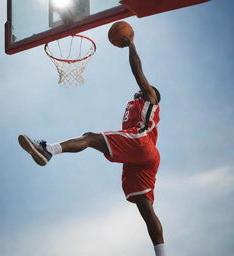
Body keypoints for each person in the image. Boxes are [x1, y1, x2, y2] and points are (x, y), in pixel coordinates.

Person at [18, 35, 166, 256]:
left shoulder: (149, 97)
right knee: (145, 208)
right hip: (143, 158)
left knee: (90, 137)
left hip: (141, 143)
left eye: (142, 90)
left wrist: (131, 45)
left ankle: (48, 149)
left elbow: (138, 72)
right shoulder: (135, 107)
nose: (138, 91)